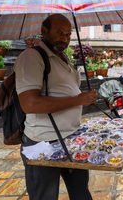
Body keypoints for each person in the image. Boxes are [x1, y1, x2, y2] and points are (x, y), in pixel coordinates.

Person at [14, 14, 98, 200]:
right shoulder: (32, 56)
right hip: (43, 143)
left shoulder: (62, 57)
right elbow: (30, 104)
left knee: (81, 193)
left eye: (68, 34)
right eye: (59, 33)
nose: (65, 39)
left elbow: (66, 92)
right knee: (45, 196)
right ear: (44, 31)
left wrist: (85, 97)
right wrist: (78, 100)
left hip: (70, 138)